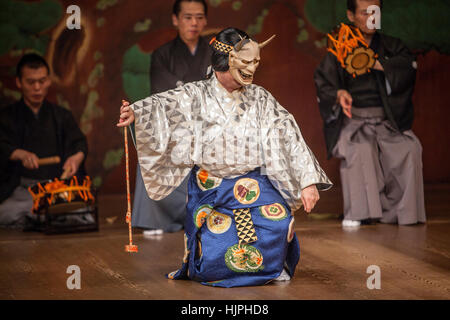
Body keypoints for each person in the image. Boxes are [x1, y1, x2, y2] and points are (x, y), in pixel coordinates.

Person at [118, 27, 332, 287]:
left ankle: (272, 269)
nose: (252, 68)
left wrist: (307, 180)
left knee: (278, 221)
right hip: (213, 185)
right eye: (246, 61)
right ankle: (218, 267)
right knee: (216, 242)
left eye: (256, 62)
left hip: (255, 182)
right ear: (225, 61)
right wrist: (136, 114)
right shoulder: (195, 95)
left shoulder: (260, 98)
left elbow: (287, 135)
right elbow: (163, 106)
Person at [314, 0, 426, 227]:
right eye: (365, 12)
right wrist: (340, 93)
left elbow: (407, 69)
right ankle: (359, 213)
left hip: (387, 121)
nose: (371, 17)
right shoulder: (340, 47)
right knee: (360, 150)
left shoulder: (393, 46)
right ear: (351, 15)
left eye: (375, 12)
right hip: (354, 121)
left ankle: (400, 214)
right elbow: (323, 82)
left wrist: (376, 63)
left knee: (409, 149)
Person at [132, 0, 212, 235]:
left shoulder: (216, 54)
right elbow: (165, 98)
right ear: (175, 20)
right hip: (176, 131)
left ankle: (211, 211)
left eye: (199, 17)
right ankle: (157, 218)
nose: (194, 23)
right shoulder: (162, 55)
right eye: (188, 17)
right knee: (152, 152)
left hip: (210, 130)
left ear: (206, 20)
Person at [0, 53, 88, 228]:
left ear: (49, 81)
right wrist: (17, 153)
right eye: (31, 82)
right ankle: (44, 217)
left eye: (42, 81)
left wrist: (75, 159)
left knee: (82, 213)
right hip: (22, 191)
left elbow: (79, 144)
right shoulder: (6, 117)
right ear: (19, 82)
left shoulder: (61, 116)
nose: (37, 88)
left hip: (56, 188)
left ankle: (37, 218)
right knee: (5, 212)